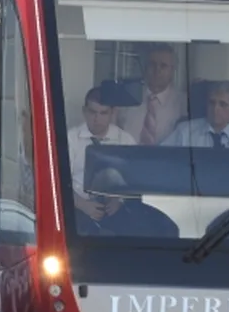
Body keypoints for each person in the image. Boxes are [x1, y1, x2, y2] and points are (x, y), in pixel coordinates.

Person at [68, 87, 136, 221]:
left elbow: (134, 180)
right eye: (92, 112)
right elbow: (59, 182)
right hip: (77, 209)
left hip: (117, 212)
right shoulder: (70, 138)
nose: (96, 118)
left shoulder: (126, 140)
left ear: (113, 113)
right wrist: (82, 204)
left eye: (103, 113)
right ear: (84, 111)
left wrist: (119, 200)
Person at [160, 81, 229, 149]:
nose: (216, 109)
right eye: (212, 103)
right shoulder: (185, 131)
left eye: (223, 104)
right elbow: (160, 156)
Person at [116, 43, 186, 146]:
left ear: (172, 70)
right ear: (145, 67)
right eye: (152, 64)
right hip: (128, 158)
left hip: (167, 160)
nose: (157, 70)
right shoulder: (127, 98)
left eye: (163, 66)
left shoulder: (183, 103)